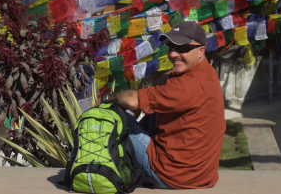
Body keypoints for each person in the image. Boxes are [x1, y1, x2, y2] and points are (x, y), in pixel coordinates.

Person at [95, 21, 226, 189]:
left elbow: (131, 100)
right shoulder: (207, 73)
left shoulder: (184, 88)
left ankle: (95, 165)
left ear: (201, 51)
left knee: (118, 114)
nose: (173, 54)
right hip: (201, 175)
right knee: (153, 108)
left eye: (183, 48)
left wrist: (106, 98)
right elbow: (166, 79)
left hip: (169, 175)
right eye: (170, 46)